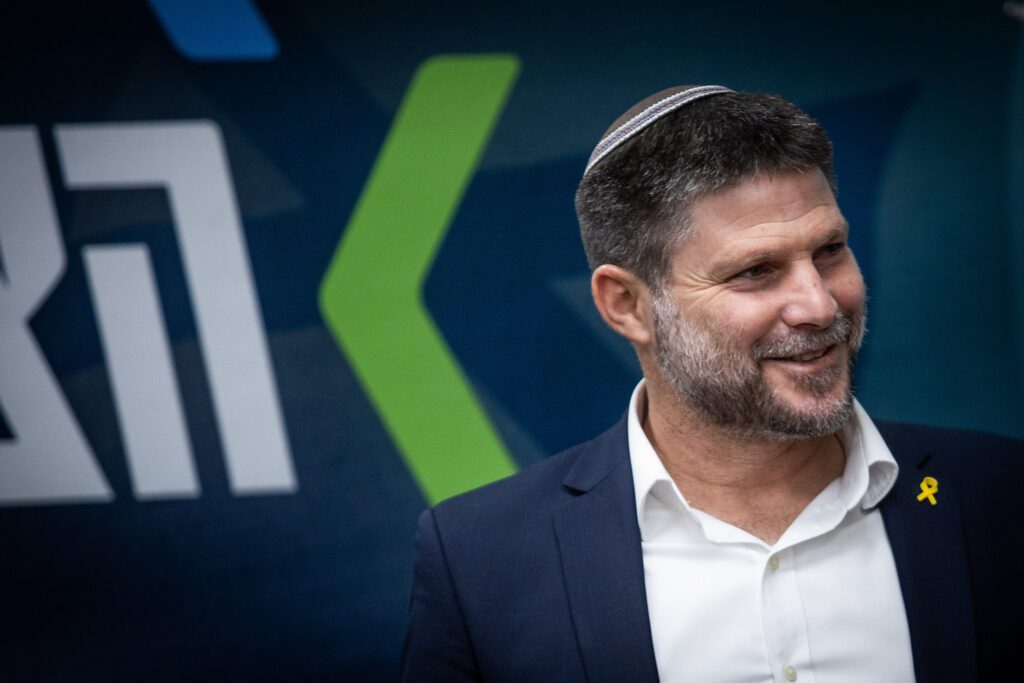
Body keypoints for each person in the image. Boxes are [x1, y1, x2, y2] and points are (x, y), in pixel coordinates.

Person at [400, 86, 1023, 683]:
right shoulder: (480, 562)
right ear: (627, 306)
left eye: (830, 250)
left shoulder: (1000, 494)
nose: (820, 304)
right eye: (756, 271)